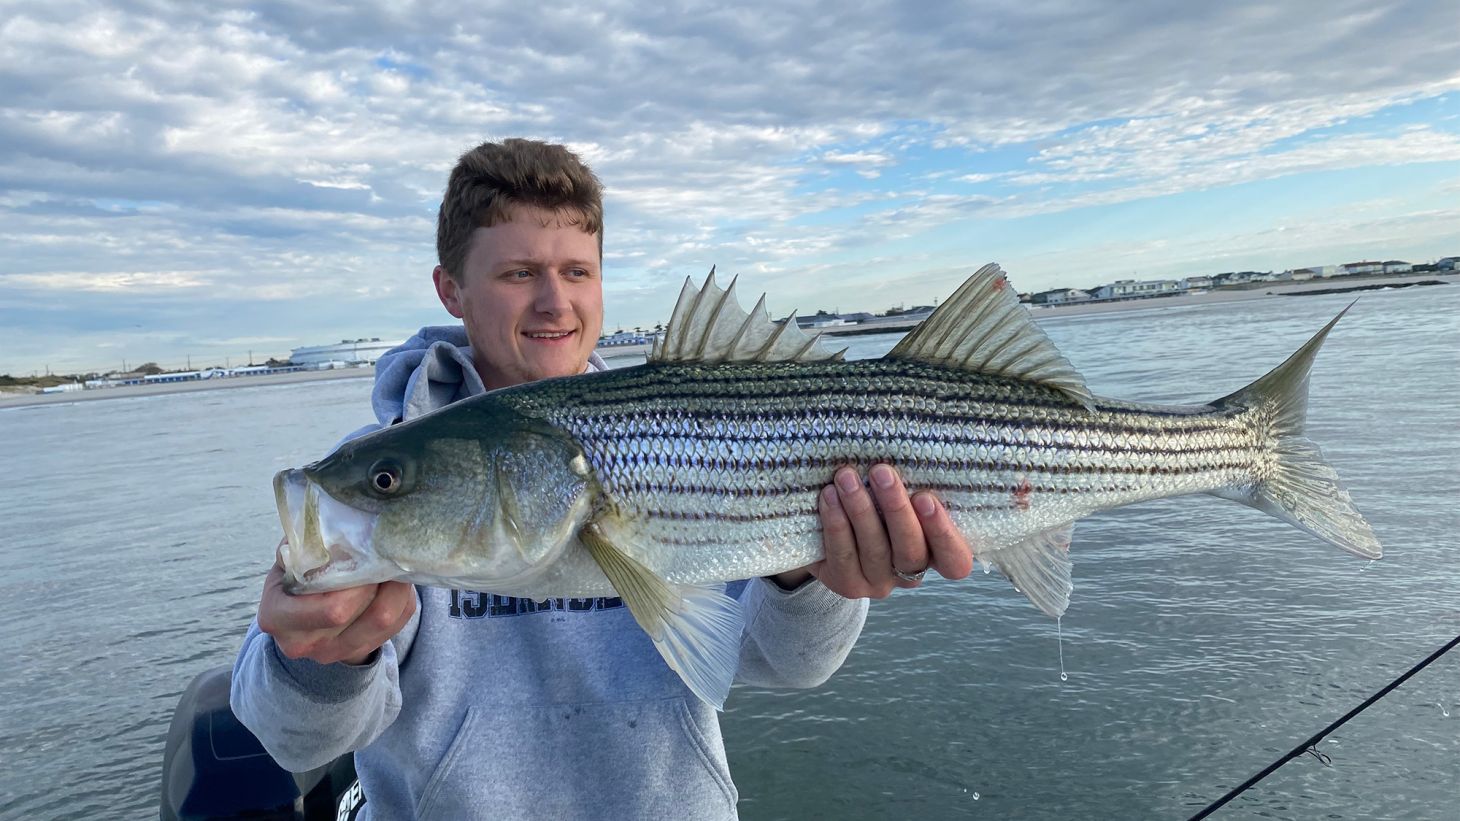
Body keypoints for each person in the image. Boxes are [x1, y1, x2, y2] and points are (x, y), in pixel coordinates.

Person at [231, 138, 973, 819]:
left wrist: (811, 579)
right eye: (519, 272)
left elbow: (786, 663)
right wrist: (322, 658)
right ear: (451, 289)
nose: (556, 302)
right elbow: (295, 742)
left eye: (577, 272)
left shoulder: (682, 425)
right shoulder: (390, 468)